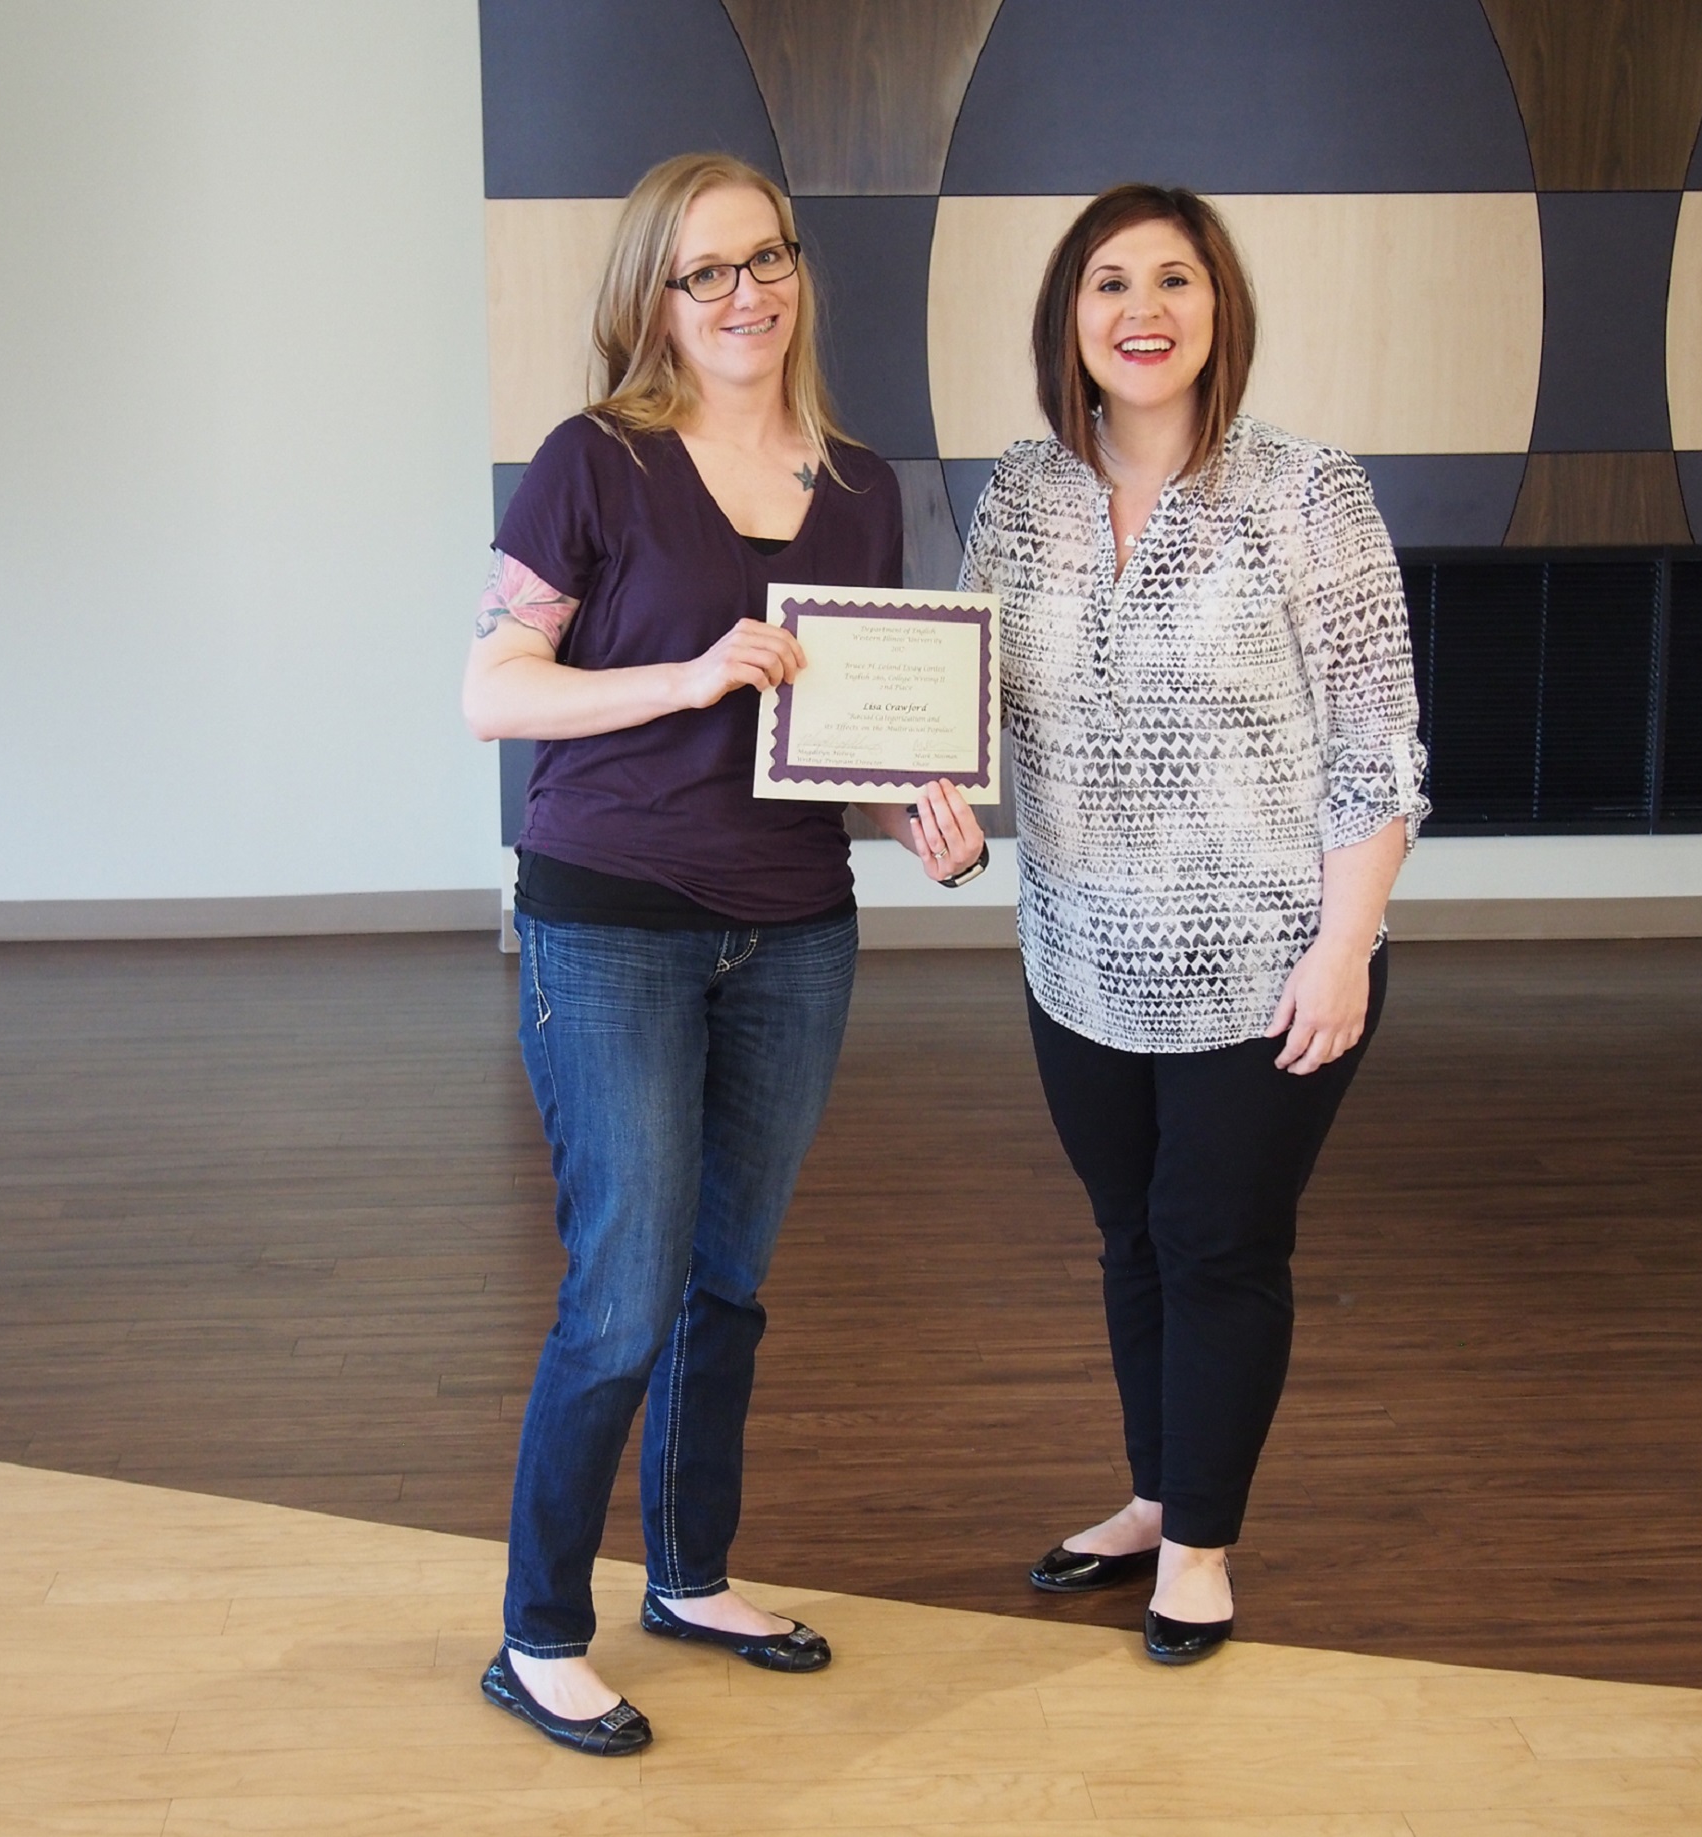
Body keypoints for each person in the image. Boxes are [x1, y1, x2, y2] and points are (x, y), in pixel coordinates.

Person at [460, 151, 987, 1754]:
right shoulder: (593, 461)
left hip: (793, 932)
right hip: (608, 919)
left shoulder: (860, 486)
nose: (745, 293)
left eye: (767, 259)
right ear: (655, 297)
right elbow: (492, 689)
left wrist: (915, 810)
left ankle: (689, 1576)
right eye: (706, 271)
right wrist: (684, 677)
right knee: (622, 1292)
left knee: (725, 1282)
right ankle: (539, 1632)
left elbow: (835, 736)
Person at [960, 184, 1427, 1664]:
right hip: (1077, 953)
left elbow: (1376, 749)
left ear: (1220, 308)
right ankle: (1158, 1495)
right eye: (1110, 282)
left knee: (1217, 1240)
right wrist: (917, 790)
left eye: (1175, 278)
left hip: (1274, 960)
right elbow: (964, 703)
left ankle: (1202, 1549)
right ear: (1069, 316)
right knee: (1133, 1237)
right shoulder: (1021, 494)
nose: (1142, 310)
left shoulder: (1307, 492)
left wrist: (1344, 948)